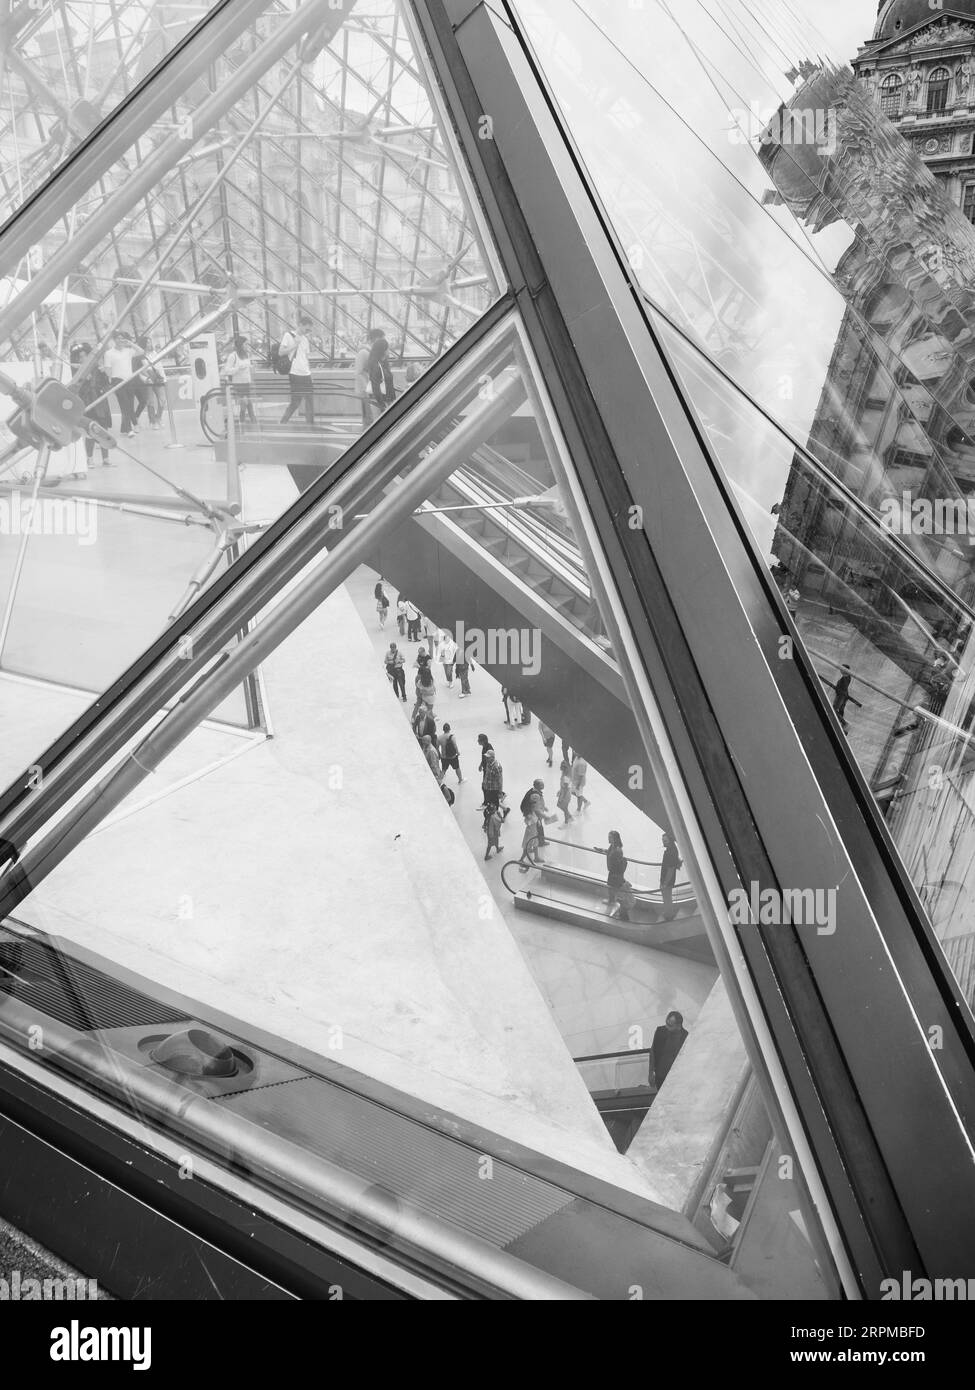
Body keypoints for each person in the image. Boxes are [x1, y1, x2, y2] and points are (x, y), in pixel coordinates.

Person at [75, 355, 114, 470]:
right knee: (90, 432)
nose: (84, 359)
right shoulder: (79, 374)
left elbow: (108, 386)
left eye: (86, 356)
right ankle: (90, 459)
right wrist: (85, 382)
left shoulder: (99, 370)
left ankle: (106, 459)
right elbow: (77, 391)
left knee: (103, 431)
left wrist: (104, 374)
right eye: (81, 357)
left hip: (101, 404)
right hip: (88, 405)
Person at [280, 316, 315, 426]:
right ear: (300, 325)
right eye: (307, 329)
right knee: (296, 401)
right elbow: (281, 352)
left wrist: (310, 373)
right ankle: (283, 422)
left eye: (309, 330)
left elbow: (306, 357)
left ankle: (310, 424)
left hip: (306, 374)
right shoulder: (288, 335)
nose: (308, 331)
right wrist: (295, 344)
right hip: (295, 373)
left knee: (310, 400)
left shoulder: (305, 339)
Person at [104, 334, 137, 436]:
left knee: (130, 405)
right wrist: (111, 380)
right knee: (124, 405)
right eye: (118, 338)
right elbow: (107, 368)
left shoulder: (128, 351)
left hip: (129, 380)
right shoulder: (109, 353)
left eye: (122, 338)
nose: (121, 340)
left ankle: (124, 427)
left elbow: (141, 352)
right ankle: (128, 429)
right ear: (114, 340)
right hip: (117, 380)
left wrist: (130, 343)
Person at [650, 1012, 688, 1091]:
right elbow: (652, 1051)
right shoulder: (660, 1031)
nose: (667, 1027)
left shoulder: (686, 1037)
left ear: (678, 1025)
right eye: (666, 1023)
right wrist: (651, 1073)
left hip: (676, 1078)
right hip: (660, 1076)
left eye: (670, 1025)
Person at [223, 336, 257, 424]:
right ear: (241, 345)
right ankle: (252, 421)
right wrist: (237, 368)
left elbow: (248, 369)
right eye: (245, 344)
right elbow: (227, 370)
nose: (247, 346)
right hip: (238, 384)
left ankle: (243, 421)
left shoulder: (246, 355)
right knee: (246, 402)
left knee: (246, 402)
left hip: (246, 383)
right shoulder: (233, 356)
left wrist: (253, 367)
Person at [604, 831, 634, 922]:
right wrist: (602, 850)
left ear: (615, 839)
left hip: (615, 874)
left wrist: (617, 876)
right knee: (611, 888)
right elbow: (609, 853)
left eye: (610, 837)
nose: (608, 839)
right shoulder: (612, 847)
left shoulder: (617, 850)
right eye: (608, 836)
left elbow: (619, 864)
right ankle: (612, 902)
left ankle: (622, 914)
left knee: (618, 893)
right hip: (612, 872)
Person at [368, 327, 396, 410]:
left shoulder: (383, 363)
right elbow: (375, 387)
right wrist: (382, 406)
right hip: (383, 403)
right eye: (388, 349)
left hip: (388, 400)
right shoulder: (376, 366)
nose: (389, 351)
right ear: (382, 350)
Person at [520, 779, 555, 846]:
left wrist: (544, 807)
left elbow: (537, 804)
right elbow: (536, 810)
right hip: (534, 816)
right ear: (537, 785)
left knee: (539, 828)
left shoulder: (535, 791)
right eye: (542, 784)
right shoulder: (535, 795)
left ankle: (541, 842)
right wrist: (545, 816)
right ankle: (534, 844)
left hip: (535, 815)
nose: (543, 785)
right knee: (535, 831)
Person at [830, 665, 862, 733]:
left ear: (845, 670)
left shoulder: (844, 678)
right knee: (841, 710)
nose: (840, 670)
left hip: (841, 696)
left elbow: (842, 688)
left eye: (842, 669)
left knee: (834, 710)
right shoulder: (847, 677)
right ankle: (840, 724)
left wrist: (836, 688)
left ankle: (844, 723)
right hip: (844, 696)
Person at [354, 332, 376, 429]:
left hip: (368, 387)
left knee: (368, 414)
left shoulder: (368, 352)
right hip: (366, 388)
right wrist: (365, 389)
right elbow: (359, 372)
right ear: (372, 340)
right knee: (368, 415)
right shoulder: (363, 353)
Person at [517, 793, 544, 871]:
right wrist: (535, 820)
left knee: (535, 844)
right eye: (535, 805)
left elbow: (536, 818)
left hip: (534, 831)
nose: (536, 806)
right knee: (528, 846)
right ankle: (521, 859)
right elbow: (529, 822)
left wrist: (538, 820)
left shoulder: (533, 812)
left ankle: (536, 857)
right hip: (531, 832)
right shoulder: (529, 814)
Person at [660, 831, 682, 920]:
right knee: (668, 897)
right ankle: (668, 912)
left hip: (667, 880)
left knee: (667, 897)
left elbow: (670, 870)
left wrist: (664, 883)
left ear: (670, 841)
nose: (663, 843)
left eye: (665, 841)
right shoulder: (673, 849)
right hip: (668, 880)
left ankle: (669, 915)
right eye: (663, 840)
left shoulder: (670, 852)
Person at [481, 749, 504, 816]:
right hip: (489, 787)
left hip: (494, 789)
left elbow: (500, 780)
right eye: (486, 757)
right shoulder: (488, 763)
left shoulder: (496, 767)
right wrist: (484, 782)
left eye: (488, 757)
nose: (486, 758)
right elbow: (487, 774)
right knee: (490, 802)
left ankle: (495, 817)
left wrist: (500, 792)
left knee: (494, 805)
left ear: (492, 757)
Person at [556, 761, 574, 826]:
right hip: (563, 791)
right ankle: (570, 817)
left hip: (565, 794)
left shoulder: (566, 776)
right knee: (560, 805)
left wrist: (562, 797)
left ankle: (566, 822)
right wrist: (560, 790)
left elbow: (566, 788)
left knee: (564, 807)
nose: (561, 767)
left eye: (562, 766)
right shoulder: (564, 773)